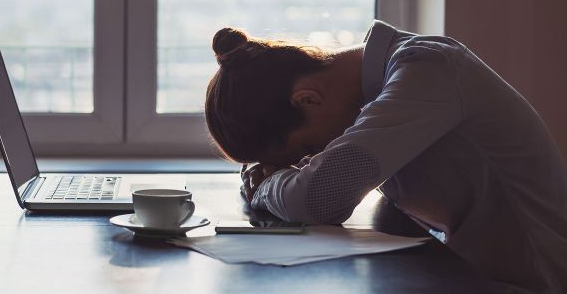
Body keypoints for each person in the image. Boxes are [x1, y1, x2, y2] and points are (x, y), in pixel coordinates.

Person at [204, 21, 567, 293]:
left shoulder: (427, 71)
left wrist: (266, 186)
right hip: (472, 274)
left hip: (535, 282)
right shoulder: (385, 87)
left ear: (308, 99)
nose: (309, 162)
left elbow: (317, 197)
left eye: (306, 151)